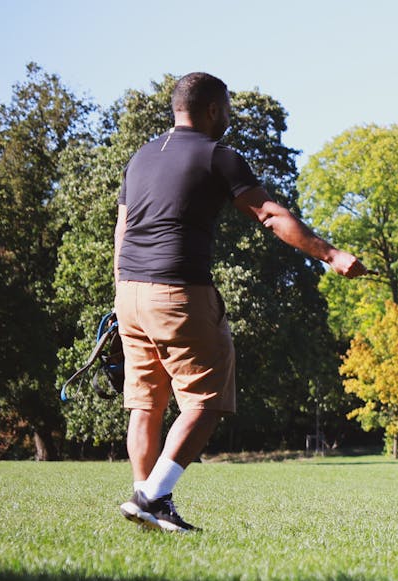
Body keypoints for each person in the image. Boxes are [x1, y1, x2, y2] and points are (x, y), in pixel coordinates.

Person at [114, 72, 366, 532]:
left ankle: (148, 502)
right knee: (206, 400)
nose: (229, 117)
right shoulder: (218, 156)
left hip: (129, 291)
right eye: (227, 108)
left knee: (145, 405)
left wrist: (121, 291)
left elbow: (124, 229)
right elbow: (269, 215)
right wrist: (329, 254)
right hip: (179, 290)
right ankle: (150, 496)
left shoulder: (141, 156)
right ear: (212, 108)